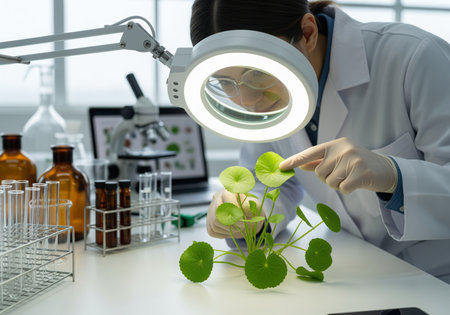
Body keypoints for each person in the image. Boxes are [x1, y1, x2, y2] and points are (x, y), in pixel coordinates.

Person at [191, 0, 450, 283]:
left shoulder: (415, 58)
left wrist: (393, 177)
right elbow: (272, 181)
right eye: (226, 82)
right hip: (356, 274)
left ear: (308, 33)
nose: (247, 101)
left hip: (437, 276)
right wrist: (251, 213)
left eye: (259, 74)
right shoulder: (268, 107)